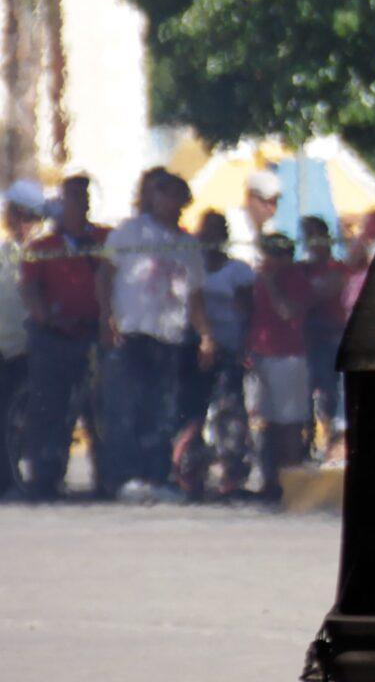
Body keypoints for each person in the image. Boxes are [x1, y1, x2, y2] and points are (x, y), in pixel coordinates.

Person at [97, 168, 217, 501]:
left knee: (162, 410)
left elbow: (195, 296)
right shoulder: (130, 232)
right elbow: (106, 274)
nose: (169, 201)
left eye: (176, 195)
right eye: (163, 194)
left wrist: (206, 335)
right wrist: (106, 316)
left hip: (169, 335)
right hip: (132, 332)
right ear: (153, 197)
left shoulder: (187, 244)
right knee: (125, 408)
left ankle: (156, 476)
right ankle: (124, 478)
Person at [18, 175, 106, 498]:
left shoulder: (104, 240)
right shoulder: (42, 248)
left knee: (99, 409)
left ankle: (106, 477)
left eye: (84, 197)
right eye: (73, 197)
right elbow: (29, 288)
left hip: (95, 333)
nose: (80, 203)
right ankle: (46, 477)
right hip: (53, 337)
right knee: (50, 409)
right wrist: (49, 318)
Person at [175, 211, 255, 498]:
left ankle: (231, 472)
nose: (210, 237)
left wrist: (245, 347)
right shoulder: (190, 268)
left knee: (228, 410)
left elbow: (248, 311)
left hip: (229, 348)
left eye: (216, 231)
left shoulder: (238, 271)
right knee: (191, 410)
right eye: (205, 231)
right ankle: (190, 472)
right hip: (193, 347)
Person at [244, 230, 316, 500]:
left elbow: (287, 311)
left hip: (288, 357)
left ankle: (290, 483)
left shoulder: (296, 279)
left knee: (289, 422)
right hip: (262, 354)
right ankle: (269, 482)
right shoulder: (260, 279)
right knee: (265, 422)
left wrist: (271, 283)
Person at [0, 181, 43, 497]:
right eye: (19, 214)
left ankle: (37, 479)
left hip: (33, 346)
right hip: (5, 346)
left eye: (31, 216)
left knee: (32, 417)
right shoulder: (4, 252)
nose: (25, 223)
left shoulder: (45, 251)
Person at [299, 216, 351, 457]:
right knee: (308, 392)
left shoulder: (336, 268)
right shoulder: (301, 269)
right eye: (308, 236)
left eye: (316, 235)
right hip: (306, 338)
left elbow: (326, 291)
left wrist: (302, 297)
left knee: (330, 391)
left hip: (332, 334)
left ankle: (330, 443)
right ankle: (309, 442)